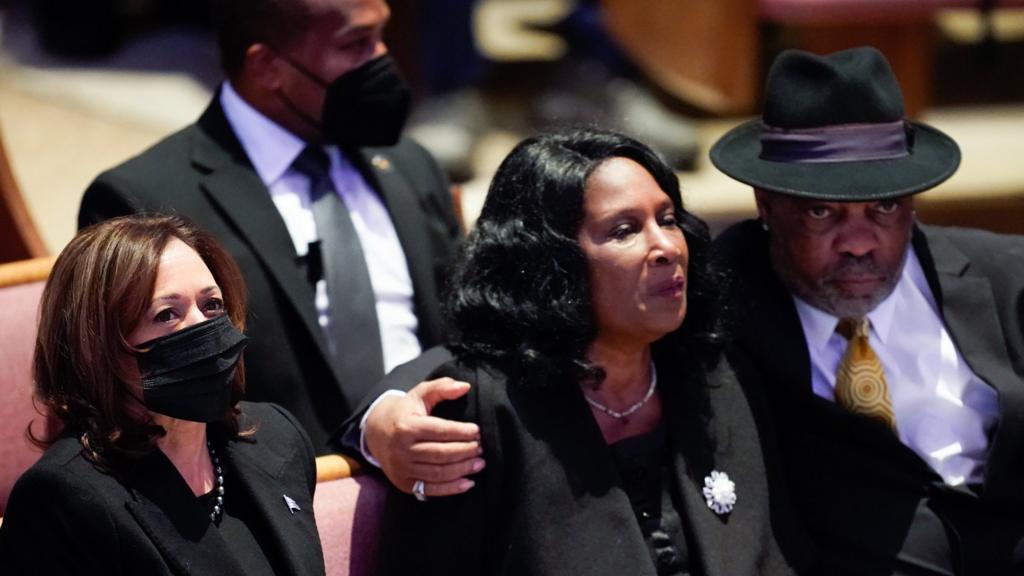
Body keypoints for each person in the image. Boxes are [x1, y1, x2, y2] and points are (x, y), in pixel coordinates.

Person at [372, 128, 806, 575]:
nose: (665, 247)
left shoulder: (715, 377)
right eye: (624, 230)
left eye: (669, 219)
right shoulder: (482, 413)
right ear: (551, 261)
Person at [77, 0, 463, 453]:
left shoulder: (407, 163)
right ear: (266, 66)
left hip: (447, 473)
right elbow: (146, 411)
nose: (382, 59)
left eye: (382, 36)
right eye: (357, 44)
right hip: (276, 501)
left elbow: (469, 327)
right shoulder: (141, 202)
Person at [710, 46, 1024, 575]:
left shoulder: (1007, 278)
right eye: (820, 211)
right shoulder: (720, 308)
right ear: (765, 204)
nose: (858, 242)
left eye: (884, 207)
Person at [0, 215, 324, 575]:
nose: (203, 328)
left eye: (211, 305)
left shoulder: (277, 437)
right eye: (167, 314)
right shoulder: (61, 499)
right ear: (95, 346)